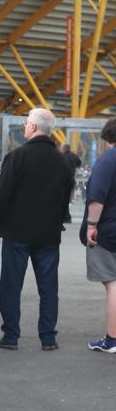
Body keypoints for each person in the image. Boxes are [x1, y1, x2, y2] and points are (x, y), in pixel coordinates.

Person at [0, 107, 73, 351]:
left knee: (11, 285)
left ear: (34, 127)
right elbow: (65, 197)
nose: (25, 126)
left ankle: (11, 336)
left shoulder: (17, 157)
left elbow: (2, 195)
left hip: (17, 232)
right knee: (48, 288)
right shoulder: (63, 161)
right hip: (48, 234)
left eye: (27, 123)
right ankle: (48, 337)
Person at [81, 117, 116, 353]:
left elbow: (97, 197)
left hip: (110, 231)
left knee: (113, 283)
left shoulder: (108, 161)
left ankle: (112, 339)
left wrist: (91, 225)